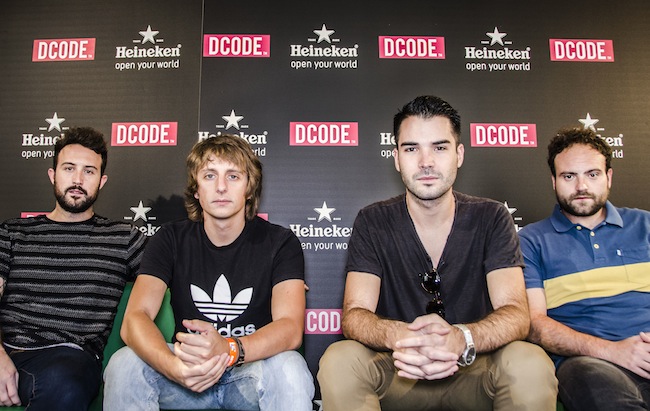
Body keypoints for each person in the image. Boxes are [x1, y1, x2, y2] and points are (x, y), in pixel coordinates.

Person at [317, 95, 558, 411]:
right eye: (411, 149)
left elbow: (515, 313)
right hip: (400, 371)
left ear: (459, 154)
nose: (426, 161)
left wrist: (461, 338)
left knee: (530, 361)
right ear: (396, 158)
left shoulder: (492, 217)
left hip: (473, 371)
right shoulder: (372, 220)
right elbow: (355, 315)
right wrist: (401, 336)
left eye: (440, 147)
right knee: (339, 359)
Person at [103, 134, 314, 411]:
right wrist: (174, 368)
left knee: (291, 367)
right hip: (186, 373)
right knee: (124, 364)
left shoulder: (280, 242)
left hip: (247, 370)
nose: (221, 187)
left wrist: (230, 348)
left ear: (249, 188)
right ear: (196, 189)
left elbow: (290, 328)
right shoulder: (170, 238)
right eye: (210, 176)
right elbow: (135, 319)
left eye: (233, 176)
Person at [0, 127, 147, 410]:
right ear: (53, 175)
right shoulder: (13, 233)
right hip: (11, 353)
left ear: (102, 181)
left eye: (89, 172)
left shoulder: (123, 238)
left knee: (64, 381)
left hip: (73, 360)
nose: (78, 180)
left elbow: (172, 276)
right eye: (69, 169)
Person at [519, 127, 650, 410]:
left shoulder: (646, 225)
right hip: (589, 364)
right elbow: (535, 325)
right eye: (569, 176)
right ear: (554, 181)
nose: (581, 186)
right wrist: (613, 351)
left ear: (608, 177)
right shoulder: (530, 241)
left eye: (592, 174)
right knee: (593, 382)